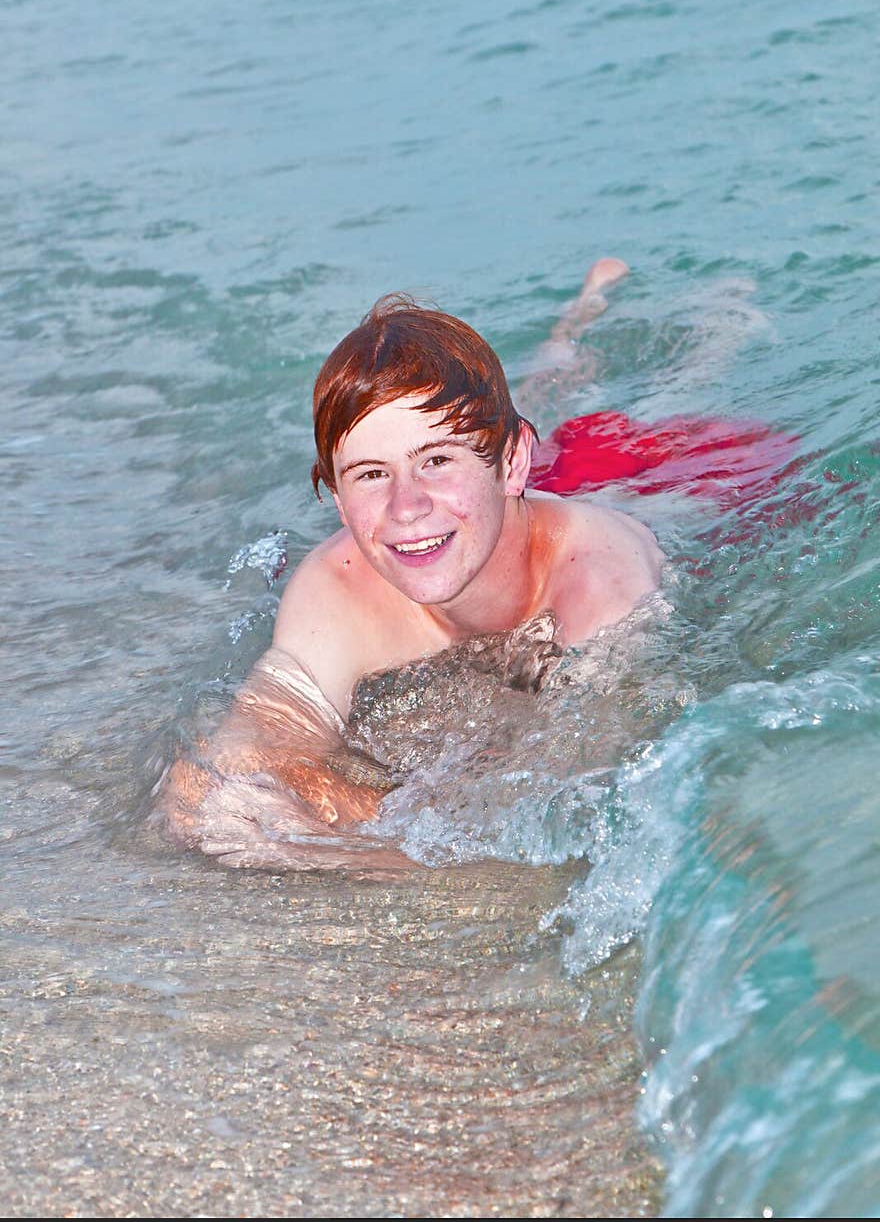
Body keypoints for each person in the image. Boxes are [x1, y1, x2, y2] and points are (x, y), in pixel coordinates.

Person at [160, 259, 663, 872]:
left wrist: (337, 848)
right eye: (373, 474)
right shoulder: (337, 587)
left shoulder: (601, 585)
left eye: (435, 461)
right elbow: (215, 782)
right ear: (338, 500)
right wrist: (282, 801)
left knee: (604, 404)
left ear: (511, 464)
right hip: (488, 505)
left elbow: (563, 822)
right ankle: (562, 338)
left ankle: (585, 322)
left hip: (649, 480)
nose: (405, 506)